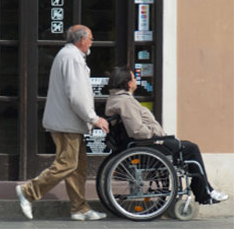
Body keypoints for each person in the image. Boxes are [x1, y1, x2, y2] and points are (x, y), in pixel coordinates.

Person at [16, 25, 109, 221]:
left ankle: (79, 208)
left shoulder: (69, 56)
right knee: (67, 164)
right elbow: (77, 95)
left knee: (77, 167)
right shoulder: (72, 58)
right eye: (90, 38)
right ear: (81, 40)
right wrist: (93, 118)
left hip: (68, 122)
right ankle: (28, 191)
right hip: (66, 123)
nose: (92, 42)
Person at [105, 66, 228, 205]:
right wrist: (156, 134)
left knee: (184, 146)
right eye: (134, 78)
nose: (136, 80)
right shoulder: (125, 102)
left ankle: (204, 189)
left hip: (142, 146)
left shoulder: (117, 99)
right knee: (191, 149)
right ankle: (205, 191)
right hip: (145, 146)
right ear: (128, 83)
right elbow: (137, 131)